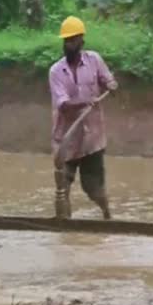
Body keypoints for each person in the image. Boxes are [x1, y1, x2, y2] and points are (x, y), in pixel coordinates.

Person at [49, 16, 118, 220]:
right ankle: (65, 223)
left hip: (92, 140)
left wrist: (111, 85)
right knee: (63, 187)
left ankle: (107, 215)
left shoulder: (94, 60)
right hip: (66, 139)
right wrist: (86, 102)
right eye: (66, 40)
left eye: (72, 40)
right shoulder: (55, 71)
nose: (68, 44)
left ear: (81, 41)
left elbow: (109, 80)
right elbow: (63, 105)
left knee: (95, 189)